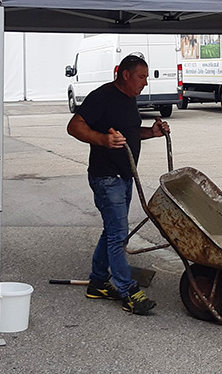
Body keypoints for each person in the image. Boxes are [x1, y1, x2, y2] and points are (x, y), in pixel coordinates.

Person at [67, 54, 170, 316]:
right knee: (118, 236)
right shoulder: (102, 96)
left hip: (124, 177)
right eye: (141, 77)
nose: (145, 83)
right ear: (126, 74)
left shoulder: (128, 99)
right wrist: (102, 139)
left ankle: (98, 282)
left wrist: (153, 132)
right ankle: (128, 291)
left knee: (112, 231)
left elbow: (130, 133)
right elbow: (74, 126)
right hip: (106, 177)